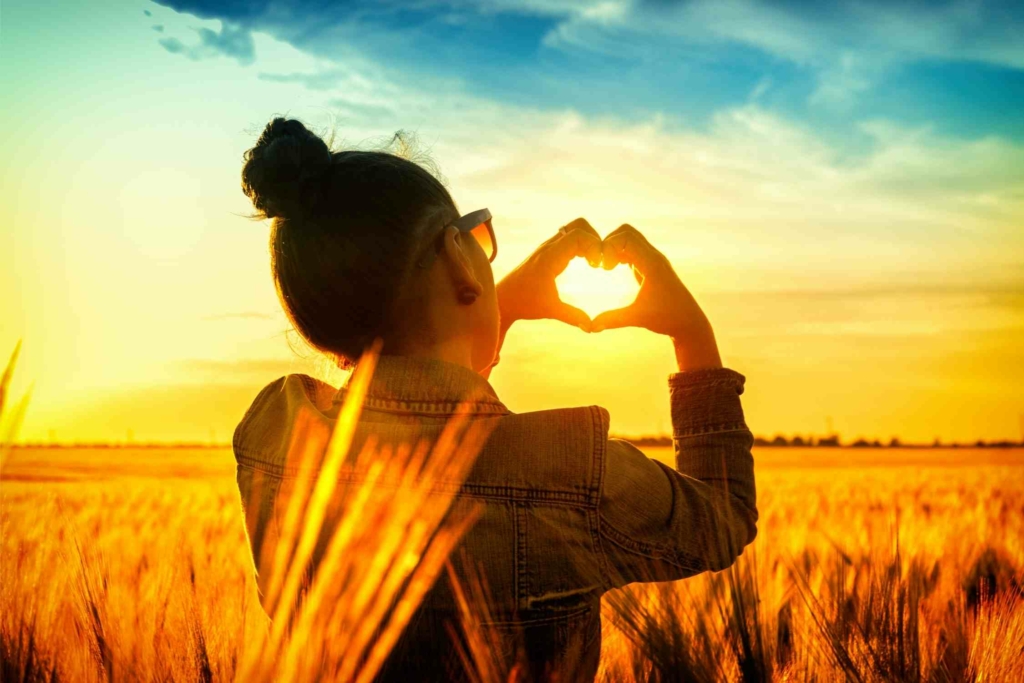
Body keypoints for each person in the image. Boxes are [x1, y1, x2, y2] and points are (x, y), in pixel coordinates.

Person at [233, 117, 757, 681]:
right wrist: (692, 333)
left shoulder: (273, 438)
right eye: (477, 237)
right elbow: (723, 521)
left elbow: (434, 440)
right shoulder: (578, 476)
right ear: (459, 259)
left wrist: (488, 304)